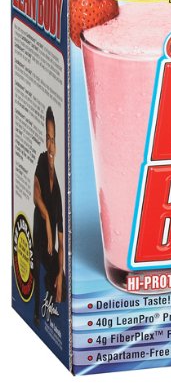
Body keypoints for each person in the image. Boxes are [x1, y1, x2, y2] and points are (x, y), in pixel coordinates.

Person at [33, 107, 65, 325]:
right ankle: (36, 312)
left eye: (53, 140)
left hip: (50, 247)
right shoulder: (42, 160)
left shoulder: (60, 193)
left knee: (59, 281)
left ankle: (52, 305)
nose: (50, 145)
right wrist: (46, 221)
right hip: (39, 233)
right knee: (36, 270)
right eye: (48, 138)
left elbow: (61, 243)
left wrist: (60, 276)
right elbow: (36, 195)